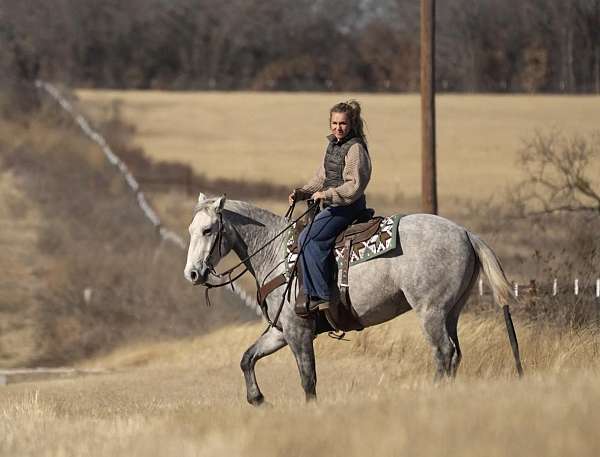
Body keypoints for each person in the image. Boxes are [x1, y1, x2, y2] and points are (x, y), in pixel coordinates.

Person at [289, 100, 372, 316]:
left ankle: (322, 296)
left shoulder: (355, 148)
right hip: (332, 204)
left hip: (347, 207)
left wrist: (326, 195)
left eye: (342, 123)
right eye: (334, 123)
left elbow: (354, 186)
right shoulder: (333, 145)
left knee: (309, 237)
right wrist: (303, 193)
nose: (338, 128)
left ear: (351, 124)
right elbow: (321, 177)